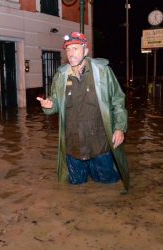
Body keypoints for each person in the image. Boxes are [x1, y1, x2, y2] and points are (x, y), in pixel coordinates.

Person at [37, 32, 129, 191]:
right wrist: (49, 105)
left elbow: (117, 99)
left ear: (85, 51)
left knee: (108, 187)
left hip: (99, 144)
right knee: (75, 189)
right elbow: (55, 103)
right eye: (68, 50)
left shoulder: (102, 72)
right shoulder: (61, 76)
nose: (71, 53)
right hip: (73, 147)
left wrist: (120, 128)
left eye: (75, 48)